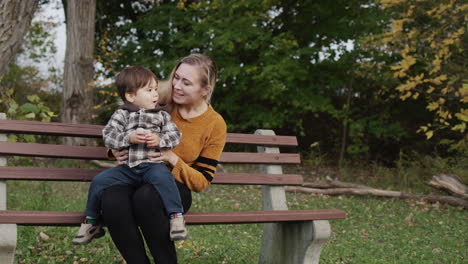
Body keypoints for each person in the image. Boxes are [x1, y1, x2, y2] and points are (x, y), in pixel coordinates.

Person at [100, 53, 227, 264]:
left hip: (174, 188)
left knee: (147, 197)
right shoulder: (158, 100)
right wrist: (114, 151)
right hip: (135, 175)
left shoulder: (215, 124)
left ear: (205, 89)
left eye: (186, 82)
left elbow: (202, 181)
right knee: (112, 199)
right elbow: (119, 124)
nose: (176, 85)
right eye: (176, 77)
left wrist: (172, 159)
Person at [73, 65, 187, 245]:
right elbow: (108, 135)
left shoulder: (162, 116)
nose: (156, 94)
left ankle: (176, 218)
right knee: (99, 181)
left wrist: (160, 140)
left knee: (165, 179)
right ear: (131, 96)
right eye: (149, 90)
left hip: (152, 165)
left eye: (156, 89)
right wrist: (128, 137)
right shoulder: (122, 115)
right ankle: (91, 222)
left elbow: (176, 135)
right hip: (127, 168)